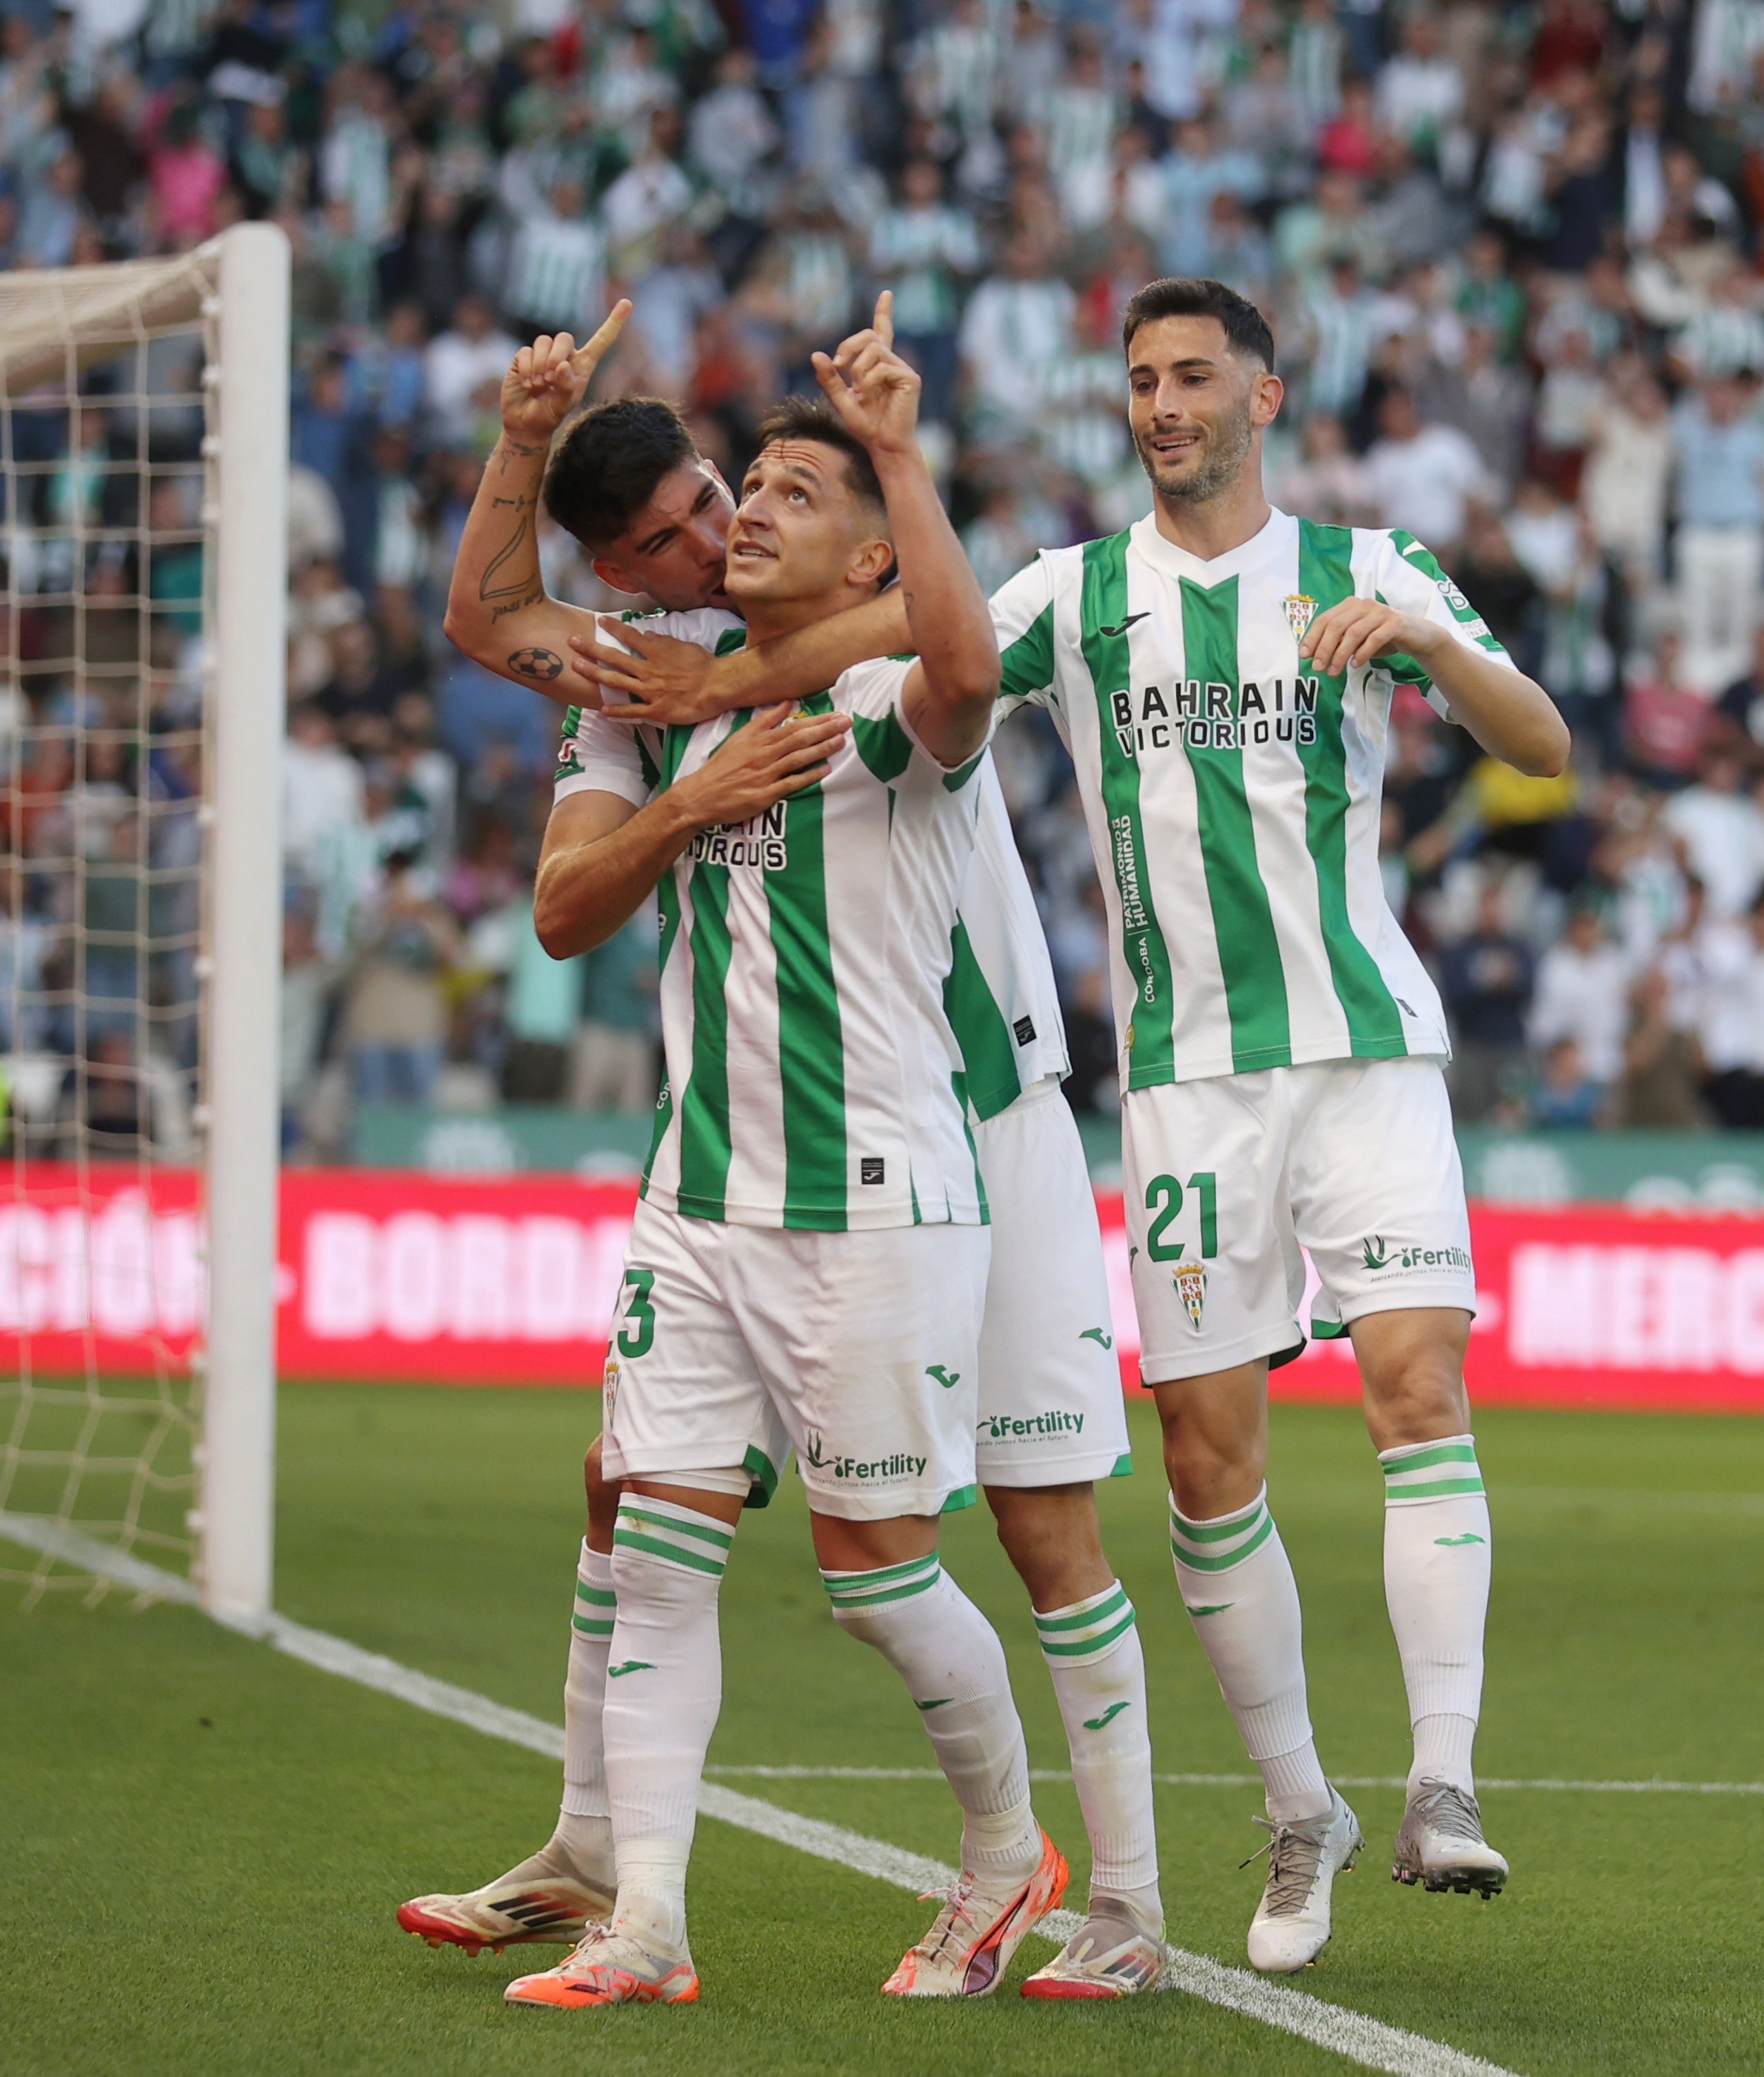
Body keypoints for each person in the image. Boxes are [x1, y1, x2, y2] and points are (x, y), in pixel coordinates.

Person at [724, 278, 1562, 1967]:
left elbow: (1539, 742)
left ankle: (1445, 1783)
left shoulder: (1366, 566)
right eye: (1139, 380)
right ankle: (1297, 1804)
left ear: (1263, 394)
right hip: (1182, 1082)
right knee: (1202, 1459)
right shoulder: (1078, 593)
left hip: (1361, 1049)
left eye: (1190, 376)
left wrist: (1427, 644)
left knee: (1416, 1376)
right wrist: (696, 690)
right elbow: (925, 649)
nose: (1160, 402)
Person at [414, 302, 1158, 2003]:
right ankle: (636, 1909)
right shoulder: (634, 685)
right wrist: (526, 446)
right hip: (705, 1186)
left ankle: (1068, 1875)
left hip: (959, 1145)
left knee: (938, 1556)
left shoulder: (876, 677)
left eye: (757, 493)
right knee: (646, 1511)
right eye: (702, 508)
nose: (725, 520)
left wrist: (887, 457)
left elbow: (963, 660)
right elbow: (542, 851)